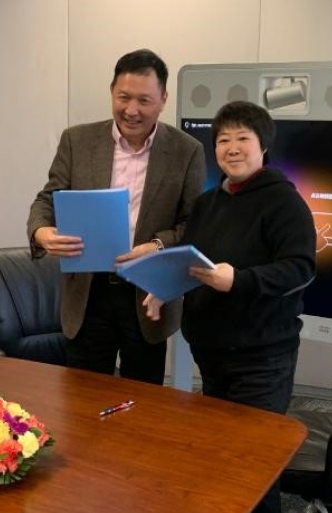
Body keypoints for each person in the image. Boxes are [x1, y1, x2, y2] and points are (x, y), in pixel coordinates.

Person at [143, 101, 317, 513]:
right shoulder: (208, 203)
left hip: (261, 359)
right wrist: (163, 288)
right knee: (221, 458)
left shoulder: (284, 202)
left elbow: (300, 269)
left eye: (243, 138)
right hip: (212, 354)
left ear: (263, 146)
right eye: (223, 140)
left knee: (253, 466)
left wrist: (239, 280)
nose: (232, 148)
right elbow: (193, 263)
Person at [27, 49, 206, 385]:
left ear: (163, 100)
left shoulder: (187, 151)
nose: (131, 110)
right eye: (123, 97)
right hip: (88, 292)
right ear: (111, 91)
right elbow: (47, 199)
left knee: (143, 398)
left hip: (147, 291)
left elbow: (194, 224)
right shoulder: (77, 140)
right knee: (83, 396)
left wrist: (156, 245)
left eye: (144, 100)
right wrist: (42, 231)